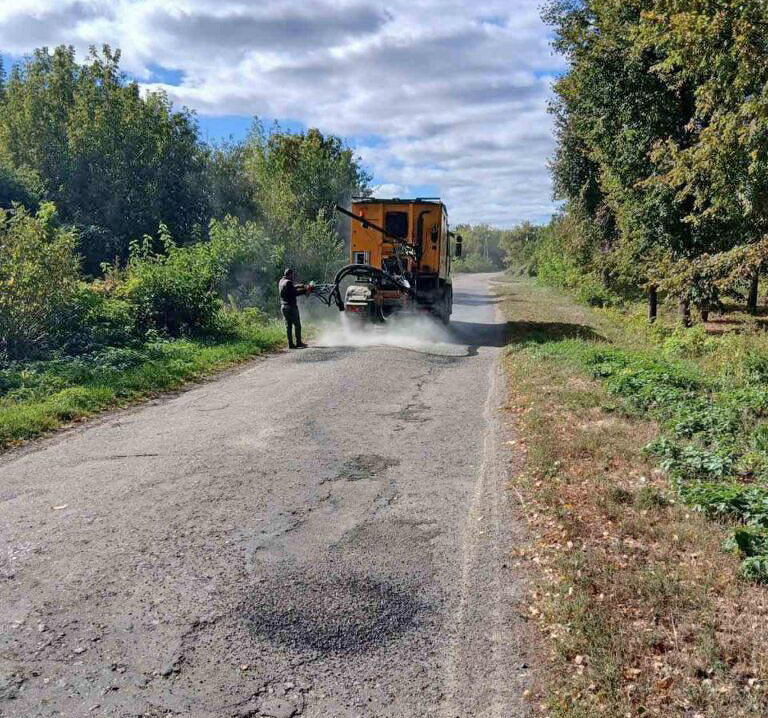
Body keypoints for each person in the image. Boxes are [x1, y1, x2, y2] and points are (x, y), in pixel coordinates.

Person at [278, 268, 309, 349]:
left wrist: (301, 285)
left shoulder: (281, 281)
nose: (293, 277)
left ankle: (290, 344)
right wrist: (305, 291)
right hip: (291, 307)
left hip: (283, 307)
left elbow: (291, 288)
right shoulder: (288, 282)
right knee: (297, 325)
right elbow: (295, 293)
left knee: (288, 326)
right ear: (290, 274)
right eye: (292, 275)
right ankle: (299, 343)